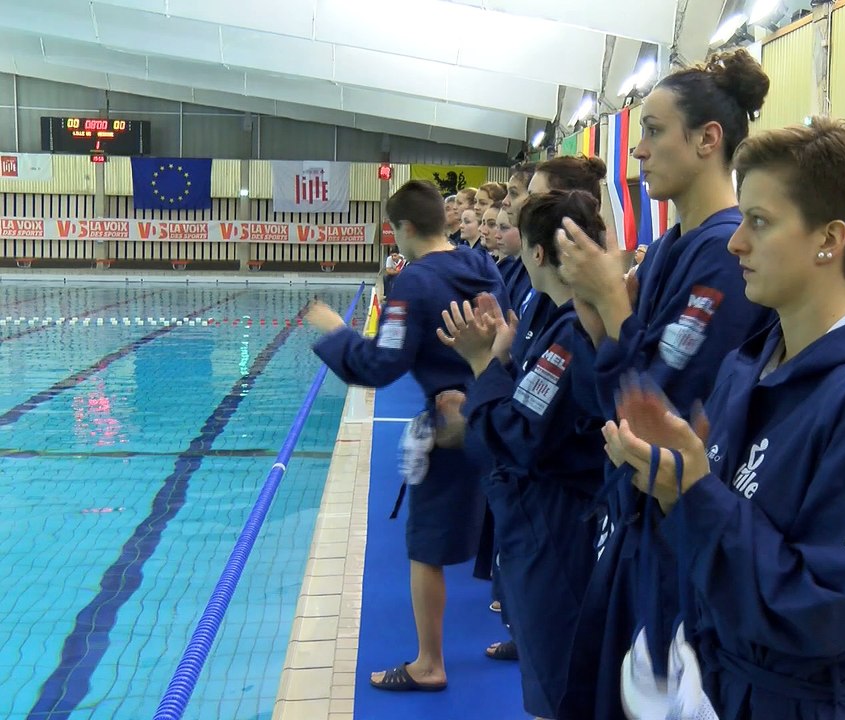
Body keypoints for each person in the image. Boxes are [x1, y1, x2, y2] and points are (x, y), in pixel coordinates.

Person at [598, 116, 845, 720]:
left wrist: (695, 495)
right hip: (721, 679)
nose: (736, 243)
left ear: (829, 239)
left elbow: (830, 605)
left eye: (759, 221)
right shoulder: (746, 366)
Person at [556, 48, 777, 719]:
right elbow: (612, 392)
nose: (639, 153)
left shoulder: (719, 254)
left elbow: (650, 413)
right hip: (635, 519)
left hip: (672, 531)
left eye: (653, 131)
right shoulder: (676, 248)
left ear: (709, 140)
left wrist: (610, 306)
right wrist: (598, 311)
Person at [303, 180, 506, 693]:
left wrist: (336, 332)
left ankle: (429, 664)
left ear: (404, 229)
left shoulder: (413, 283)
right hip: (498, 416)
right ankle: (526, 635)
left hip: (447, 427)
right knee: (508, 533)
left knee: (426, 548)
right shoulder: (485, 267)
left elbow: (381, 365)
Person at [437, 190, 610, 719]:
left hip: (555, 526)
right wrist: (504, 357)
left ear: (537, 254)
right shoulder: (561, 321)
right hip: (546, 521)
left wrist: (484, 364)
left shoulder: (569, 330)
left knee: (560, 688)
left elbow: (517, 431)